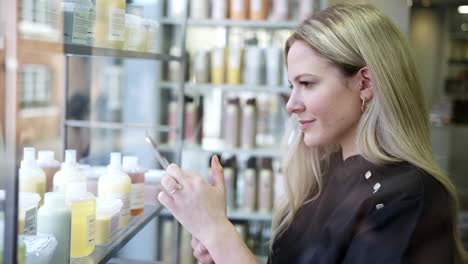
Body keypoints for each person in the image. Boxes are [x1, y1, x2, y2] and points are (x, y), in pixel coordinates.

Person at [157, 3, 467, 264]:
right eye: (292, 86)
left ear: (365, 83)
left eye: (307, 84)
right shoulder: (322, 174)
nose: (291, 104)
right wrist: (227, 252)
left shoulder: (409, 197)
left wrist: (218, 233)